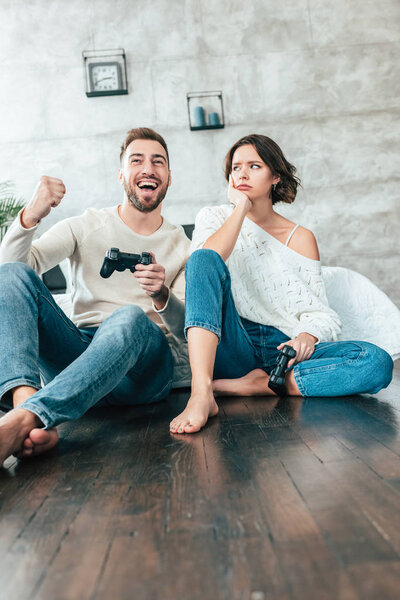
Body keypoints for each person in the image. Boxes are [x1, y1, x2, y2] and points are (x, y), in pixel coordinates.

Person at [170, 134, 393, 434]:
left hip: (283, 352)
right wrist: (240, 209)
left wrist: (306, 336)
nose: (243, 174)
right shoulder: (214, 216)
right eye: (236, 168)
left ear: (275, 176)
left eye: (254, 166)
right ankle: (201, 393)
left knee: (375, 362)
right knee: (201, 258)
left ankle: (262, 385)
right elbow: (206, 264)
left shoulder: (301, 237)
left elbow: (321, 314)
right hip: (234, 341)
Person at [0, 127, 190, 465]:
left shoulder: (182, 245)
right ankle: (26, 417)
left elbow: (188, 331)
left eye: (157, 162)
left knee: (129, 316)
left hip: (144, 369)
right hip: (81, 354)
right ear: (121, 175)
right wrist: (30, 216)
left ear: (169, 177)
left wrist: (161, 294)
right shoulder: (85, 225)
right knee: (13, 275)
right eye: (137, 160)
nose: (148, 168)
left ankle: (29, 416)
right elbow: (11, 273)